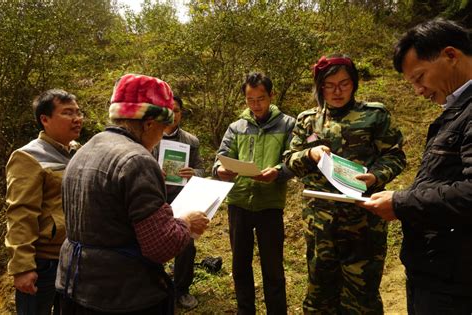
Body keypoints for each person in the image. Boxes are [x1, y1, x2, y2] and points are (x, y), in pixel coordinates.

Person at [55, 74, 210, 314]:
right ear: (148, 123)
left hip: (73, 284)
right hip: (122, 294)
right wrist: (187, 223)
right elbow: (160, 246)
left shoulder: (86, 149)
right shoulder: (137, 160)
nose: (162, 134)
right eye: (162, 127)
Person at [360, 19, 472, 315]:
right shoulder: (457, 110)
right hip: (438, 274)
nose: (419, 91)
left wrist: (402, 202)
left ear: (450, 55)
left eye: (420, 77)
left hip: (455, 285)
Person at [284, 55, 406, 314]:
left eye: (344, 84)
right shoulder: (308, 120)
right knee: (319, 294)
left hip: (363, 221)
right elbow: (289, 160)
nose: (337, 91)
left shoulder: (374, 115)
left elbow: (395, 156)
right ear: (320, 86)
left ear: (354, 84)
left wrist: (375, 176)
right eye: (329, 85)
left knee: (362, 296)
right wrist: (310, 154)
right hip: (320, 223)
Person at [213, 72, 295, 314]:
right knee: (240, 265)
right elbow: (221, 155)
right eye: (250, 99)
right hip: (239, 203)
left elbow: (293, 160)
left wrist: (278, 171)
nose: (256, 105)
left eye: (261, 98)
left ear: (271, 95)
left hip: (270, 204)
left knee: (273, 268)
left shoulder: (288, 124)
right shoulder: (236, 127)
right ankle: (245, 310)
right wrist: (220, 169)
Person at [4, 89, 83, 314]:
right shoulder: (28, 157)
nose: (77, 118)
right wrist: (22, 267)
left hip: (73, 255)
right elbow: (20, 213)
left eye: (78, 112)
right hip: (44, 262)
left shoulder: (77, 151)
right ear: (45, 119)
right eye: (68, 113)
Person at [153, 96, 204, 309]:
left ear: (181, 113)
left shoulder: (191, 141)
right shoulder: (149, 137)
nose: (173, 115)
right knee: (152, 242)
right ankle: (154, 288)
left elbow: (201, 169)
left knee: (185, 243)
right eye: (168, 110)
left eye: (177, 110)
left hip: (181, 197)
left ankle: (181, 289)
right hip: (155, 197)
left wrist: (194, 173)